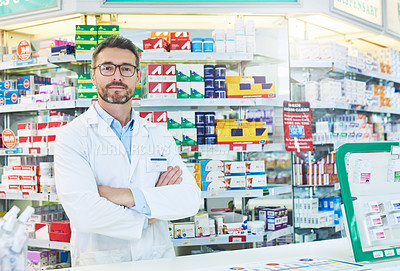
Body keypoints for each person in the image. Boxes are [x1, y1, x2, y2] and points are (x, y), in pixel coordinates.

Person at [54, 35, 201, 267]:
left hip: (157, 261)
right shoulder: (72, 136)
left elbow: (190, 199)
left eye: (126, 68)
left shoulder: (158, 134)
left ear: (138, 76)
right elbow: (85, 213)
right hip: (102, 262)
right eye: (107, 68)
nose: (117, 76)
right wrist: (154, 207)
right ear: (93, 75)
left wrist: (118, 195)